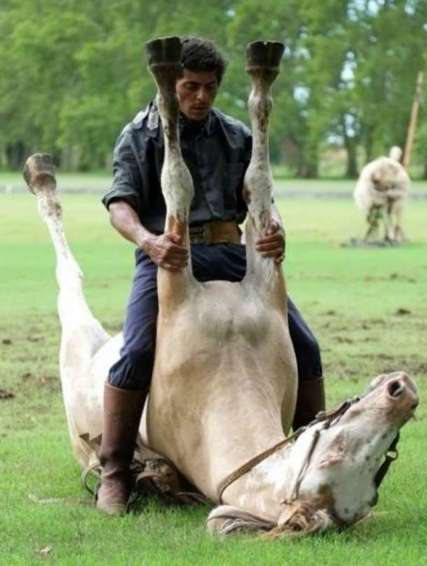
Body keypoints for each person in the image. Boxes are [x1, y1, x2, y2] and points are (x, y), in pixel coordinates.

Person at [98, 36, 325, 515]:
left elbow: (259, 199)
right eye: (189, 87)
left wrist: (274, 227)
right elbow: (119, 206)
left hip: (230, 252)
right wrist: (148, 241)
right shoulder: (139, 134)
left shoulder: (237, 134)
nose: (200, 97)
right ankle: (115, 470)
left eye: (209, 87)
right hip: (167, 258)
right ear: (172, 85)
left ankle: (310, 454)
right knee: (137, 349)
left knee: (305, 345)